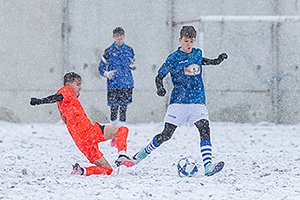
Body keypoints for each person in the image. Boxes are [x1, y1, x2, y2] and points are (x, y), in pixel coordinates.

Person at [119, 26, 228, 176]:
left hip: (197, 100)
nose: (188, 44)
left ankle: (208, 165)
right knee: (166, 135)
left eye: (191, 41)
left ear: (194, 40)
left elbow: (200, 61)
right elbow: (159, 75)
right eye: (185, 40)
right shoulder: (173, 58)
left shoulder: (197, 53)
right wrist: (160, 88)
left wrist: (216, 61)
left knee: (204, 129)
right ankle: (137, 158)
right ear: (180, 40)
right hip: (179, 102)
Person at [30, 72, 131, 176]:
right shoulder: (66, 91)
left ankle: (82, 171)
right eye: (78, 84)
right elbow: (57, 97)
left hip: (82, 142)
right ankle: (122, 154)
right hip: (89, 132)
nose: (80, 87)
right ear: (68, 84)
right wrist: (40, 101)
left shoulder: (67, 101)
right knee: (122, 130)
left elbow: (59, 100)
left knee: (107, 170)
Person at [98, 27, 136, 127]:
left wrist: (133, 66)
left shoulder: (129, 50)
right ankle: (113, 131)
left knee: (124, 108)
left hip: (126, 83)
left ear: (124, 36)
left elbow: (133, 63)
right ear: (113, 37)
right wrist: (106, 73)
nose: (119, 38)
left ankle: (121, 133)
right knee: (113, 109)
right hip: (113, 84)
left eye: (121, 35)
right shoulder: (108, 51)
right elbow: (101, 67)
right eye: (117, 36)